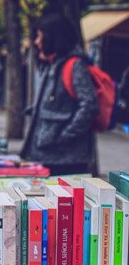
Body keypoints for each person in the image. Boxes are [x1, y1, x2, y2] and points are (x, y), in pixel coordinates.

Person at [22, 14, 98, 176]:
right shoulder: (55, 64)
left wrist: (65, 135)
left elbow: (89, 104)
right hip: (53, 154)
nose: (36, 42)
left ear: (52, 37)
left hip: (66, 158)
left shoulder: (74, 65)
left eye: (40, 37)